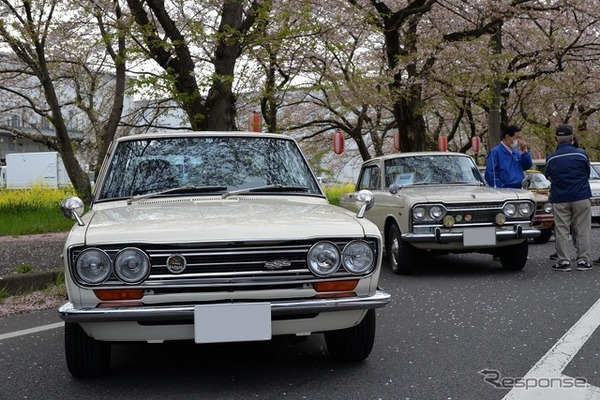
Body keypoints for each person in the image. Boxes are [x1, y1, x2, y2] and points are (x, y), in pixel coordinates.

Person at [545, 124, 592, 272]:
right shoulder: (581, 154)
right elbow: (587, 173)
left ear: (556, 139)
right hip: (581, 195)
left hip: (560, 197)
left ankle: (563, 261)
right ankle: (583, 260)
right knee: (582, 229)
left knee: (561, 230)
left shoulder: (551, 158)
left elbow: (548, 176)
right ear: (572, 138)